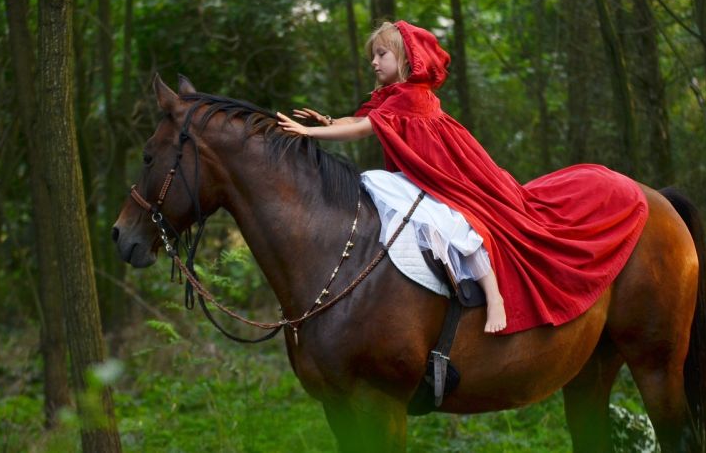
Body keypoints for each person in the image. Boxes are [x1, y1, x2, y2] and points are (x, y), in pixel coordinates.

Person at [277, 20, 648, 336]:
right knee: (428, 218)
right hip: (427, 173)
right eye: (373, 55)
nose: (374, 62)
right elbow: (360, 120)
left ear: (404, 59)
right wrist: (328, 122)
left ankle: (496, 298)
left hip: (450, 174)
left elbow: (362, 130)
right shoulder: (392, 95)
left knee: (459, 223)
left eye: (382, 55)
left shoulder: (410, 95)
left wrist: (309, 135)